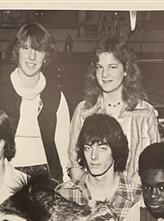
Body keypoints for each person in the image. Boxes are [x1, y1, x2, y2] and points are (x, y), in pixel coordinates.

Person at [0, 22, 70, 182]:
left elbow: (64, 144)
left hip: (46, 176)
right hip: (5, 175)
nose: (32, 57)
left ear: (46, 56)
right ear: (17, 51)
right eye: (26, 48)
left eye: (39, 50)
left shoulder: (56, 96)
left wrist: (66, 181)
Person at [68, 36, 159, 183]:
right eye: (100, 67)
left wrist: (128, 197)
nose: (104, 74)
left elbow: (152, 165)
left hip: (131, 198)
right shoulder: (84, 110)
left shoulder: (144, 112)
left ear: (125, 70)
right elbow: (74, 163)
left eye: (112, 67)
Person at [57, 113, 141, 221]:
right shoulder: (64, 194)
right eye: (88, 148)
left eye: (102, 148)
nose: (93, 156)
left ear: (116, 150)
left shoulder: (135, 196)